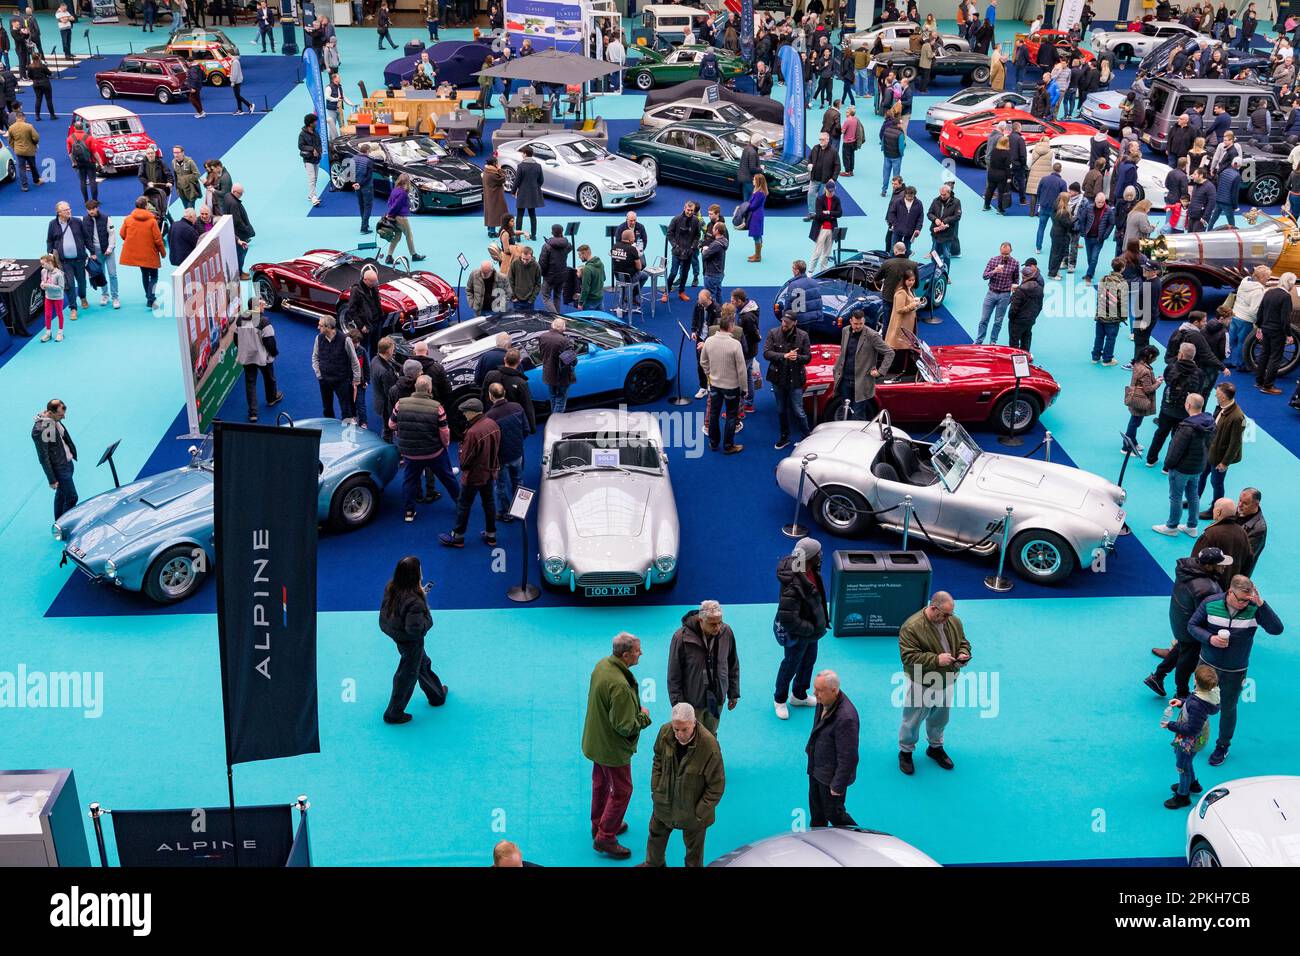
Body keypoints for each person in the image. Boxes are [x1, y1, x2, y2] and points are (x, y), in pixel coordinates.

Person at [1188, 575, 1285, 766]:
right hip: (1207, 666)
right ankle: (1194, 735)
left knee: (1228, 708)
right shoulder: (1210, 603)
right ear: (1230, 592)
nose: (1243, 603)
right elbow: (1192, 626)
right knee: (1198, 703)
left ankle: (1222, 746)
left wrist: (1261, 605)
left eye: (1246, 600)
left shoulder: (1254, 608)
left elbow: (1277, 629)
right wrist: (1210, 639)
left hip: (1235, 670)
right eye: (1240, 599)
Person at [581, 633, 652, 860]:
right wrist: (643, 716)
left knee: (600, 783)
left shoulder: (602, 666)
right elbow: (624, 726)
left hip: (596, 740)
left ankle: (598, 823)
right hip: (612, 748)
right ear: (625, 655)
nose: (640, 653)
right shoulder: (620, 685)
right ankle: (605, 837)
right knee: (622, 791)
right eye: (637, 650)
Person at [640, 702, 724, 868]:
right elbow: (657, 759)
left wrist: (698, 812)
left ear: (694, 723)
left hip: (693, 814)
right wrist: (657, 789)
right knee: (655, 838)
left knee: (694, 855)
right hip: (664, 802)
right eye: (676, 729)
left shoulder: (709, 747)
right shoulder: (665, 732)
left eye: (684, 729)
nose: (679, 734)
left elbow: (716, 786)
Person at [1147, 547, 1235, 700]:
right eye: (1220, 564)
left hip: (1179, 618)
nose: (1224, 566)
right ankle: (1181, 692)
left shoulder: (1188, 569)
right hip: (1191, 629)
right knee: (1187, 661)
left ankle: (1157, 676)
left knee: (1182, 647)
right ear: (1208, 566)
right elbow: (1207, 615)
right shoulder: (1207, 588)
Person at [897, 591, 970, 774]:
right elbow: (908, 657)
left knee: (941, 716)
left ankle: (935, 747)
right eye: (944, 614)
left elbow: (963, 642)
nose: (948, 618)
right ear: (933, 608)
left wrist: (963, 653)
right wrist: (936, 660)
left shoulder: (953, 621)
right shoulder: (911, 627)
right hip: (921, 680)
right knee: (913, 719)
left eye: (950, 614)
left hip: (948, 677)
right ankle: (905, 751)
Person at [378, 556, 447, 725]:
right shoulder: (414, 601)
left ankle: (437, 695)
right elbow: (415, 629)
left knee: (422, 664)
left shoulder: (393, 588)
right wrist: (426, 614)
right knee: (407, 675)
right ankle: (394, 713)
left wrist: (419, 595)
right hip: (410, 640)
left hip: (397, 635)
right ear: (416, 574)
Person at [773, 537, 829, 719]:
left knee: (808, 663)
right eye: (818, 553)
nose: (821, 555)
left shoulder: (810, 568)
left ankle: (799, 695)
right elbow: (788, 617)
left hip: (811, 631)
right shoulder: (793, 584)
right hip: (799, 633)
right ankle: (779, 699)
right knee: (790, 666)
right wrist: (810, 629)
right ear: (810, 558)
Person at [667, 600, 740, 738]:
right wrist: (678, 705)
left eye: (720, 622)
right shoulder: (681, 638)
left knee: (711, 735)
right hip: (692, 701)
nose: (718, 627)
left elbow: (732, 663)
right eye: (713, 624)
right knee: (691, 736)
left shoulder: (726, 632)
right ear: (701, 620)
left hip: (716, 697)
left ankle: (710, 757)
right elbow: (674, 674)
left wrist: (733, 692)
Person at [1161, 664, 1221, 809]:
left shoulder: (1196, 703)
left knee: (1182, 766)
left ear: (1195, 680)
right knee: (1188, 761)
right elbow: (1195, 703)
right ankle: (1192, 784)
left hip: (1189, 741)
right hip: (1200, 737)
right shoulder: (1211, 694)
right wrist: (1182, 703)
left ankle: (1183, 796)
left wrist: (1171, 725)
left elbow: (1191, 729)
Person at [1153, 392, 1214, 537]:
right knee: (1193, 496)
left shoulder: (1186, 427)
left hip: (1181, 469)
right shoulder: (1210, 423)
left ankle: (1172, 526)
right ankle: (1192, 526)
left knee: (1176, 497)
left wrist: (1168, 465)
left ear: (1188, 405)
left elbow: (1175, 449)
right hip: (1198, 467)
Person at [804, 670, 859, 826]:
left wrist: (838, 785)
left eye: (819, 691)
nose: (815, 694)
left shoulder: (846, 718)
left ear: (834, 690)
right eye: (815, 689)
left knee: (835, 815)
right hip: (816, 769)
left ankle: (858, 839)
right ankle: (817, 840)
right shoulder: (824, 701)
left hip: (831, 779)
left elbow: (849, 757)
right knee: (816, 813)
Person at [765, 311, 813, 450]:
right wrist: (784, 355)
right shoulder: (773, 333)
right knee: (781, 409)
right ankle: (784, 437)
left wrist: (797, 357)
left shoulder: (803, 336)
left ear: (795, 323)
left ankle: (806, 436)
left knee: (798, 410)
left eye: (787, 322)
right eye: (783, 321)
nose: (784, 324)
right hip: (778, 378)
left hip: (795, 378)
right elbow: (766, 353)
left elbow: (808, 357)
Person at [1197, 382, 1245, 509]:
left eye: (1217, 394)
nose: (1215, 396)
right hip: (1210, 450)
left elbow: (1235, 444)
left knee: (1216, 483)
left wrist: (1225, 463)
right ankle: (1194, 500)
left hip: (1220, 456)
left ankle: (1216, 508)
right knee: (1201, 475)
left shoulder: (1237, 417)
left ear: (1223, 397)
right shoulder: (1220, 406)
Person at [484, 381, 525, 520]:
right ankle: (519, 510)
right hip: (517, 452)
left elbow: (489, 442)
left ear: (490, 396)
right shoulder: (517, 407)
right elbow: (525, 429)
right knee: (518, 481)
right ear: (504, 393)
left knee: (500, 485)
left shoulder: (489, 416)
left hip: (500, 458)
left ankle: (505, 513)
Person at [32, 398, 78, 518]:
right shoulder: (43, 428)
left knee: (62, 495)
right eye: (60, 415)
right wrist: (52, 479)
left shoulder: (52, 421)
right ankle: (66, 525)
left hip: (67, 464)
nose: (64, 418)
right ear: (50, 412)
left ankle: (59, 522)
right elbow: (44, 457)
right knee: (72, 497)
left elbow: (56, 447)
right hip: (60, 469)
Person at [118, 195, 165, 310]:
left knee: (144, 274)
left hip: (137, 253)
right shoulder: (152, 221)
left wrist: (132, 241)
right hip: (151, 253)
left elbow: (122, 234)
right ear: (145, 206)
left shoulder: (128, 219)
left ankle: (149, 297)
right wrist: (163, 252)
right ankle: (151, 297)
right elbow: (158, 239)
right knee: (154, 276)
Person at [1192, 498, 1254, 585]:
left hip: (1210, 586)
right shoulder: (1242, 532)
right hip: (1230, 587)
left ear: (1218, 512)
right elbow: (1249, 560)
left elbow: (1195, 562)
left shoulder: (1210, 534)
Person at [1254, 272, 1296, 394]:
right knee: (1275, 358)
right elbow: (1285, 319)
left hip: (1266, 328)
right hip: (1277, 332)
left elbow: (1260, 312)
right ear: (1290, 283)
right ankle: (1268, 386)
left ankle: (1259, 381)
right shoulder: (1286, 297)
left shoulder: (1269, 292)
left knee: (1264, 355)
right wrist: (1288, 334)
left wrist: (1259, 327)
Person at [46, 202, 88, 320]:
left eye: (69, 209)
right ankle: (73, 308)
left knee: (82, 282)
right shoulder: (53, 224)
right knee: (69, 284)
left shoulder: (77, 222)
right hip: (64, 262)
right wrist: (50, 253)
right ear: (58, 213)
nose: (69, 211)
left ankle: (83, 296)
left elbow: (86, 237)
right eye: (65, 210)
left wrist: (92, 252)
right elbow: (49, 240)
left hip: (79, 259)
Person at [975, 242, 1018, 345]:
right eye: (1003, 253)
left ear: (1011, 251)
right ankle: (979, 341)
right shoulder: (993, 260)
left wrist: (1014, 286)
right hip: (991, 293)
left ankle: (993, 342)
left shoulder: (1015, 263)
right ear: (1000, 251)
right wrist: (994, 271)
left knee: (998, 321)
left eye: (1006, 254)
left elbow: (1016, 280)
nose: (1004, 256)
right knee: (984, 319)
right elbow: (984, 276)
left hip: (1005, 295)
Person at [1123, 345, 1162, 455]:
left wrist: (1155, 380)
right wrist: (1158, 383)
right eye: (1155, 357)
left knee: (1134, 422)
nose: (1155, 360)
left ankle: (1133, 442)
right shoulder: (1145, 370)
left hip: (1134, 396)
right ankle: (1126, 447)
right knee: (1134, 423)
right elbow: (1148, 389)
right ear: (1150, 356)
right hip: (1141, 399)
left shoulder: (1137, 364)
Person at [1092, 257, 1127, 366]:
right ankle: (1107, 359)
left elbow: (1099, 296)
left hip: (1101, 314)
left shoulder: (1104, 278)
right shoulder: (1122, 283)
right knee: (1111, 338)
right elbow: (1123, 302)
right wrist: (1123, 317)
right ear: (1122, 268)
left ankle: (1095, 357)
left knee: (1099, 337)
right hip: (1113, 317)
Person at [383, 174, 423, 265]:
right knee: (409, 235)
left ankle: (389, 256)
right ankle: (414, 255)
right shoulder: (403, 193)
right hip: (401, 218)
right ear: (407, 182)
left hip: (394, 217)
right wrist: (390, 215)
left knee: (397, 237)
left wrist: (390, 215)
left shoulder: (395, 190)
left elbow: (389, 202)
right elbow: (397, 205)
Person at [664, 201, 700, 302]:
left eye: (692, 211)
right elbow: (669, 233)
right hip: (677, 252)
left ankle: (681, 292)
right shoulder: (676, 219)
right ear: (684, 208)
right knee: (673, 273)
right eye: (688, 210)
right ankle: (666, 292)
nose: (689, 212)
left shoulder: (696, 221)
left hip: (689, 252)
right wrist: (675, 246)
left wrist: (693, 247)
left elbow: (698, 235)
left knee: (684, 273)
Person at [538, 317, 575, 414]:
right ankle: (555, 423)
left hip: (548, 373)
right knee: (560, 401)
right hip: (561, 376)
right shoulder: (565, 341)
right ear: (563, 328)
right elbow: (570, 360)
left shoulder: (542, 336)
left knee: (553, 398)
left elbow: (542, 353)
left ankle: (553, 419)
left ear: (552, 325)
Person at [1007, 258, 1044, 352]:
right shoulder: (1039, 288)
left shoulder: (1020, 290)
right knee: (1026, 340)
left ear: (1023, 276)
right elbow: (1040, 305)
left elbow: (1013, 309)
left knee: (1014, 343)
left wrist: (1011, 318)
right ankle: (1026, 359)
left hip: (1017, 321)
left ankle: (1016, 362)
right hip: (1030, 320)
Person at [808, 180, 842, 274]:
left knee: (827, 252)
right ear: (825, 189)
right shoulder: (819, 199)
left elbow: (840, 213)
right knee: (817, 251)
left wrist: (828, 212)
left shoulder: (837, 199)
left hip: (831, 229)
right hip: (822, 229)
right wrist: (832, 216)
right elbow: (819, 215)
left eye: (832, 191)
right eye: (829, 191)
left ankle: (823, 270)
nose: (831, 193)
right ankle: (810, 271)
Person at [538, 224, 572, 314]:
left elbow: (542, 263)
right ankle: (558, 316)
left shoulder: (546, 246)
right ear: (562, 232)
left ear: (552, 232)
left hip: (550, 277)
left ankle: (556, 317)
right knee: (557, 296)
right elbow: (569, 247)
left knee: (545, 297)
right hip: (562, 275)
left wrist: (543, 274)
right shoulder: (566, 244)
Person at [807, 130, 840, 218]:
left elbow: (837, 166)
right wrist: (809, 163)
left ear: (828, 140)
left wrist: (833, 179)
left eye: (822, 139)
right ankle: (812, 213)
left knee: (826, 197)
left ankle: (824, 214)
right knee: (811, 194)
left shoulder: (833, 152)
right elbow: (809, 158)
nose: (821, 141)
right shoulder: (815, 148)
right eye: (820, 139)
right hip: (815, 178)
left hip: (827, 180)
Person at [927, 182, 961, 269]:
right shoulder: (935, 200)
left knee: (946, 255)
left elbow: (957, 216)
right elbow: (929, 213)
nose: (942, 196)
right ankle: (935, 270)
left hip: (947, 234)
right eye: (941, 194)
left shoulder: (956, 202)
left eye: (944, 195)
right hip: (936, 233)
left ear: (949, 193)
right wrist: (935, 219)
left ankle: (945, 273)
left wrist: (945, 221)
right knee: (934, 254)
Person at [513, 146, 544, 241]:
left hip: (522, 193)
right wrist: (534, 187)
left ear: (525, 154)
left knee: (519, 215)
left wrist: (513, 191)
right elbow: (541, 180)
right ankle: (533, 236)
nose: (522, 154)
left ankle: (518, 237)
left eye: (522, 153)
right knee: (532, 214)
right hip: (533, 193)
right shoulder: (538, 166)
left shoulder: (521, 166)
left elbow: (517, 181)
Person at [37, 254, 65, 344]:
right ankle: (48, 332)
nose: (42, 266)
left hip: (58, 298)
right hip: (48, 297)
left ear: (49, 263)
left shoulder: (59, 274)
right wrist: (42, 284)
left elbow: (61, 287)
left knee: (59, 314)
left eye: (43, 264)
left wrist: (48, 285)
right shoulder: (43, 271)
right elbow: (43, 280)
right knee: (48, 315)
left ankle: (60, 332)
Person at [700, 222, 728, 305]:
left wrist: (703, 250)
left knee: (709, 298)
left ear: (717, 231)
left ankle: (711, 317)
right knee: (718, 294)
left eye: (713, 229)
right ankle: (720, 314)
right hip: (719, 273)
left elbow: (705, 255)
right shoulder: (724, 241)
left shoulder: (716, 244)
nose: (712, 230)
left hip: (712, 274)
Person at [299, 113, 323, 207]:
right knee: (312, 178)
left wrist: (318, 151)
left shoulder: (315, 132)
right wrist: (312, 149)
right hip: (308, 159)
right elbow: (300, 146)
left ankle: (310, 194)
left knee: (315, 178)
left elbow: (319, 143)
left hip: (316, 159)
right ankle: (313, 197)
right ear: (310, 123)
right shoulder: (302, 134)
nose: (316, 123)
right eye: (315, 121)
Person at [507, 244, 541, 310]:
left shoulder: (536, 266)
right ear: (521, 256)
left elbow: (538, 284)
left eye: (527, 259)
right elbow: (510, 281)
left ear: (531, 257)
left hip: (529, 301)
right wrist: (513, 297)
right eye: (523, 259)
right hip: (517, 300)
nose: (524, 261)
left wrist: (532, 299)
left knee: (529, 319)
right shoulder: (515, 263)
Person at [746, 173, 768, 263]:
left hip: (756, 215)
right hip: (757, 215)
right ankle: (757, 254)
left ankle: (758, 256)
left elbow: (753, 206)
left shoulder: (759, 193)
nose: (753, 181)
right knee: (757, 235)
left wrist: (745, 207)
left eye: (754, 179)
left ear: (758, 181)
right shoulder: (759, 191)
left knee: (756, 235)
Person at [575, 244, 604, 311]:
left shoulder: (587, 269)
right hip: (600, 297)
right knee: (600, 320)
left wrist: (580, 303)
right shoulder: (601, 264)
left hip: (590, 301)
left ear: (584, 254)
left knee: (586, 321)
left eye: (580, 255)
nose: (579, 257)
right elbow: (603, 278)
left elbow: (585, 288)